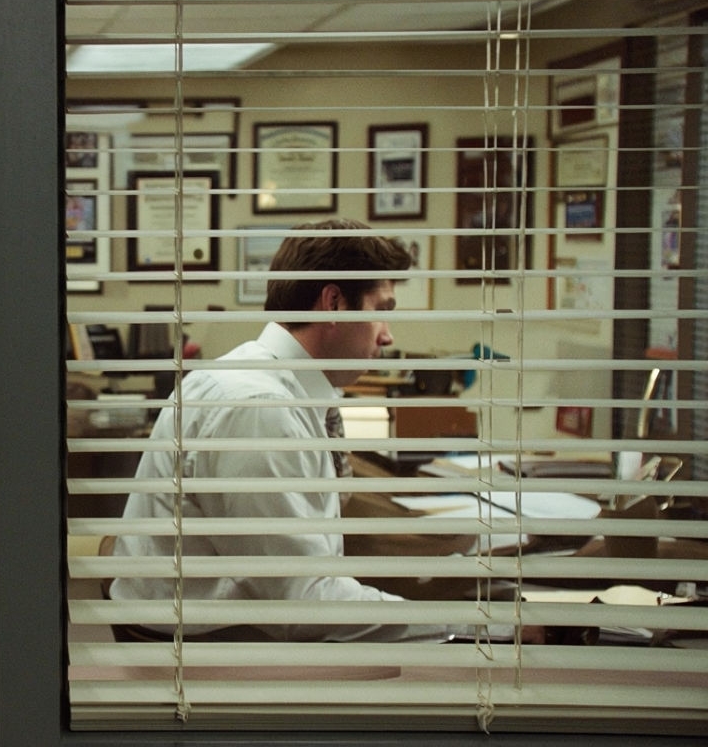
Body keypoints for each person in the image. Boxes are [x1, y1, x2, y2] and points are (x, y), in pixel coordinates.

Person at [109, 218, 542, 643]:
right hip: (203, 647)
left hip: (236, 621)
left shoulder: (286, 387)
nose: (388, 336)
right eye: (382, 312)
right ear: (334, 303)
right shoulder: (261, 410)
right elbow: (305, 602)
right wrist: (484, 626)